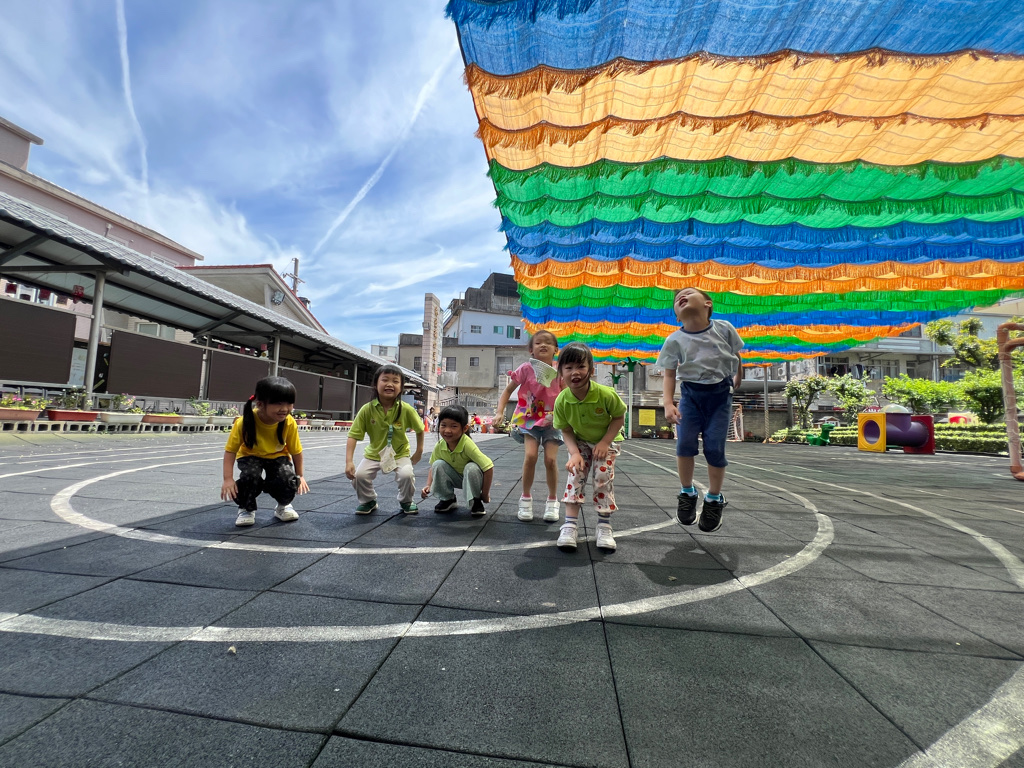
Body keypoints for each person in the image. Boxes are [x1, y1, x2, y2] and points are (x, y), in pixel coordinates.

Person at [658, 287, 744, 534]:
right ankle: (687, 492)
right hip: (691, 395)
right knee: (685, 443)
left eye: (688, 293)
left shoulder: (724, 328)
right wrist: (668, 403)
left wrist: (738, 375)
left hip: (720, 395)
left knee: (714, 447)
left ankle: (714, 498)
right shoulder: (674, 340)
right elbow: (669, 374)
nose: (681, 297)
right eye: (677, 300)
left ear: (708, 303)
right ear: (677, 316)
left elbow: (736, 355)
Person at [552, 342, 626, 552]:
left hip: (607, 439)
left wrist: (604, 442)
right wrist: (574, 453)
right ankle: (569, 526)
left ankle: (604, 526)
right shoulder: (562, 401)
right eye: (568, 368)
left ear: (591, 370)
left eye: (581, 367)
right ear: (561, 372)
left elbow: (619, 417)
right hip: (581, 442)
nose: (575, 372)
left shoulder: (605, 394)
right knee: (576, 473)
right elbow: (566, 429)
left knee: (602, 476)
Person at [494, 330, 564, 522]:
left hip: (553, 420)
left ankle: (552, 500)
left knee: (550, 460)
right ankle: (525, 498)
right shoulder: (525, 369)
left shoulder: (560, 371)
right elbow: (507, 391)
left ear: (556, 349)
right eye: (538, 342)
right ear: (531, 350)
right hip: (529, 419)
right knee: (531, 456)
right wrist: (500, 412)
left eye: (548, 342)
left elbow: (567, 394)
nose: (543, 345)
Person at [221, 376, 310, 527]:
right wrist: (228, 479)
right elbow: (230, 451)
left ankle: (283, 506)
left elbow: (296, 452)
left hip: (277, 455)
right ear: (260, 404)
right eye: (278, 403)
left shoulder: (288, 422)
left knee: (287, 478)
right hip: (250, 455)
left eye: (289, 403)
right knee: (250, 476)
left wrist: (300, 476)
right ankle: (246, 508)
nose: (285, 408)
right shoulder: (245, 422)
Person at [345, 364, 424, 514]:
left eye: (395, 381)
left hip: (400, 454)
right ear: (376, 384)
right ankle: (368, 500)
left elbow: (420, 429)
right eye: (385, 380)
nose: (389, 384)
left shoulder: (406, 409)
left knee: (406, 475)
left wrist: (419, 451)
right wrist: (349, 461)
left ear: (401, 388)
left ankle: (406, 501)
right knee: (359, 476)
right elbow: (353, 435)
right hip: (374, 454)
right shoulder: (367, 409)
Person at [420, 404, 494, 515]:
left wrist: (485, 493)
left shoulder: (467, 444)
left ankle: (475, 500)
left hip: (472, 480)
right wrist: (428, 485)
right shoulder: (440, 445)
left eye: (453, 426)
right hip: (455, 478)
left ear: (464, 428)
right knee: (438, 464)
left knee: (471, 467)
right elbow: (433, 467)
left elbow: (488, 467)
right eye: (443, 425)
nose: (447, 430)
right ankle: (447, 499)